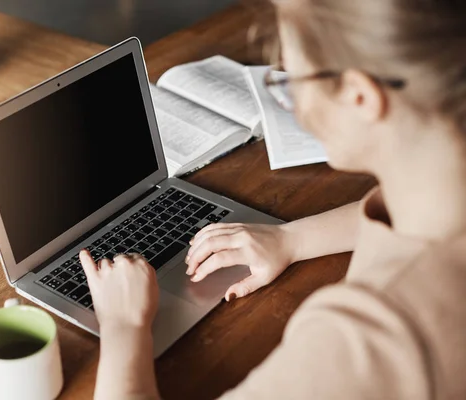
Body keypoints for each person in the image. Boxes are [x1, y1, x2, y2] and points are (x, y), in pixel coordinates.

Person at [78, 0, 466, 398]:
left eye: (290, 77)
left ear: (360, 97)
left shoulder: (363, 344)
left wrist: (124, 327)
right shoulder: (441, 190)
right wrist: (290, 239)